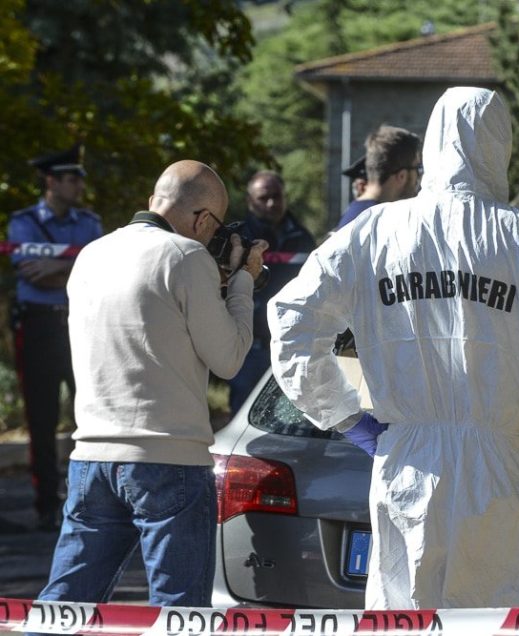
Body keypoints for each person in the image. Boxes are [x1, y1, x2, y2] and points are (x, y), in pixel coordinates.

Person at [268, 87, 519, 609]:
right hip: (506, 469)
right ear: (501, 146)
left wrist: (349, 419)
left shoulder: (375, 232)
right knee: (507, 617)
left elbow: (290, 321)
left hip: (409, 465)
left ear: (433, 144)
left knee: (408, 613)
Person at [37, 160, 268, 607]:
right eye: (212, 226)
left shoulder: (91, 253)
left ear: (153, 201)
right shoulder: (186, 256)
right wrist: (242, 283)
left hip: (91, 458)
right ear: (202, 219)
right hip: (169, 460)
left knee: (64, 607)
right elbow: (229, 358)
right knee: (178, 614)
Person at [7, 143, 103, 531]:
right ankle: (47, 504)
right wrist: (73, 266)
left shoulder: (89, 222)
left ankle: (93, 499)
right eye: (70, 178)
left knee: (92, 412)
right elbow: (31, 272)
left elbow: (97, 267)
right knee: (42, 419)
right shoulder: (23, 222)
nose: (78, 185)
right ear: (51, 182)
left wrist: (56, 265)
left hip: (81, 322)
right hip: (39, 326)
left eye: (79, 177)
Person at [227, 170, 315, 413]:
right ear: (249, 201)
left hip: (292, 346)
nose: (272, 203)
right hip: (250, 348)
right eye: (263, 198)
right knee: (243, 419)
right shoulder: (237, 238)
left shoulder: (303, 238)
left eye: (277, 196)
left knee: (289, 416)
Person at [335, 125, 422, 230]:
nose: (419, 176)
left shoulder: (356, 214)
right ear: (401, 176)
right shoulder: (382, 222)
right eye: (417, 168)